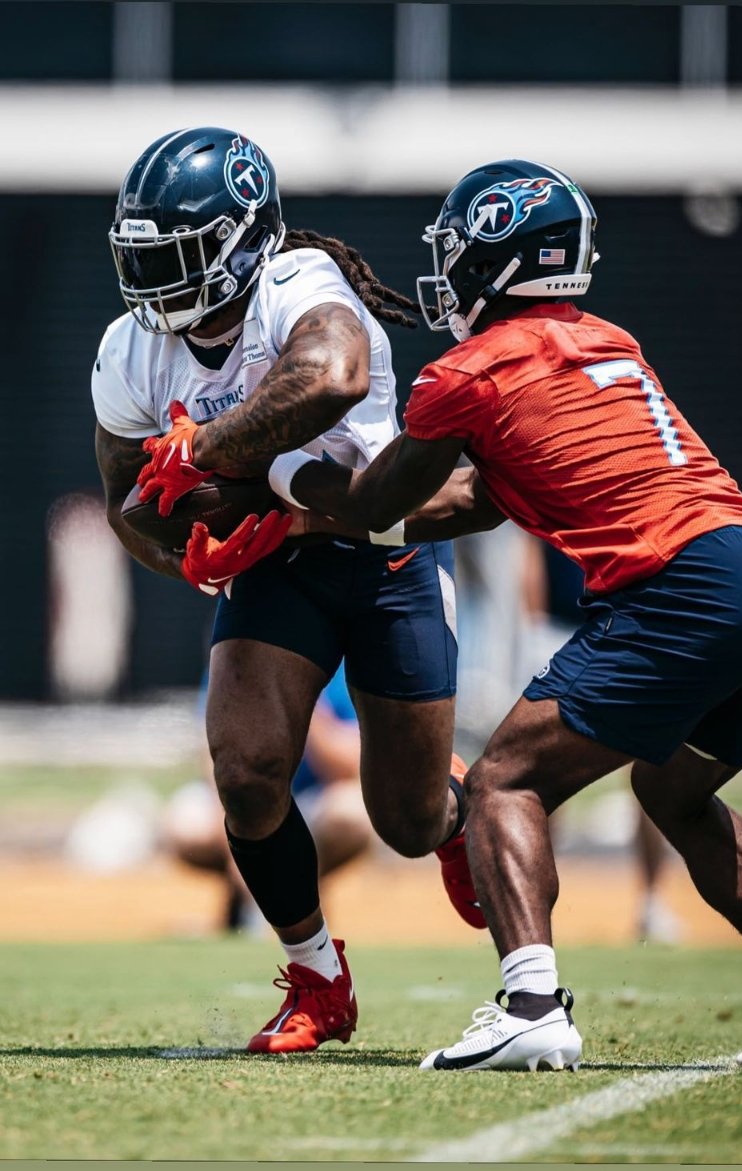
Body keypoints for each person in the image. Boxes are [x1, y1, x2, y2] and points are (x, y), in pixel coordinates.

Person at [270, 159, 742, 1071]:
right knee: (673, 790)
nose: (450, 267)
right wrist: (319, 506)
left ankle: (531, 1003)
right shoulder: (607, 339)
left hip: (687, 578)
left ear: (497, 257)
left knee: (504, 779)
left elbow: (374, 499)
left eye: (462, 248)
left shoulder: (469, 369)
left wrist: (270, 479)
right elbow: (480, 500)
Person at [91, 126, 485, 1056]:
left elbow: (330, 379)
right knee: (247, 776)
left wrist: (204, 449)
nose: (153, 280)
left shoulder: (301, 286)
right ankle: (317, 978)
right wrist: (187, 554)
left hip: (379, 544)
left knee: (406, 816)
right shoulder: (130, 348)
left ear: (240, 240)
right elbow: (126, 503)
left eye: (175, 255)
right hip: (274, 562)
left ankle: (463, 819)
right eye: (141, 256)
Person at [522, 539, 682, 944]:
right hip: (559, 628)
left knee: (649, 766)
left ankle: (651, 901)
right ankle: (532, 905)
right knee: (533, 770)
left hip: (626, 627)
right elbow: (529, 549)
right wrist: (533, 625)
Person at [164, 663, 373, 932]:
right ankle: (247, 897)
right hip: (244, 803)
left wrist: (301, 702)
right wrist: (234, 848)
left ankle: (305, 899)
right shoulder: (235, 649)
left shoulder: (342, 664)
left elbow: (350, 767)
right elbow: (213, 761)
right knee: (187, 824)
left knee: (350, 812)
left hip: (309, 802)